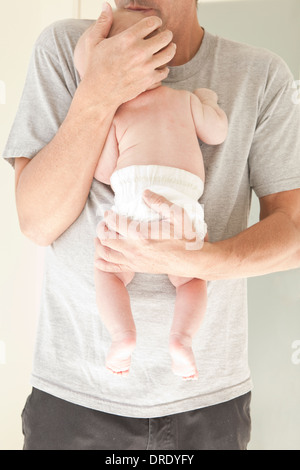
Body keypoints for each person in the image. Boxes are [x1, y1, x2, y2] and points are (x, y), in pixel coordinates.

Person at [2, 0, 300, 451]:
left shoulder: (260, 75)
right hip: (75, 395)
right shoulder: (68, 49)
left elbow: (293, 234)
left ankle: (181, 338)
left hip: (208, 400)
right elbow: (37, 223)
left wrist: (203, 260)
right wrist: (98, 92)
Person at [74, 8, 228, 380]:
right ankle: (182, 340)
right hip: (181, 209)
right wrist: (208, 101)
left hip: (131, 205)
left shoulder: (118, 113)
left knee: (109, 271)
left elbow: (105, 173)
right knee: (192, 278)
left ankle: (122, 336)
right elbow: (218, 133)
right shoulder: (185, 100)